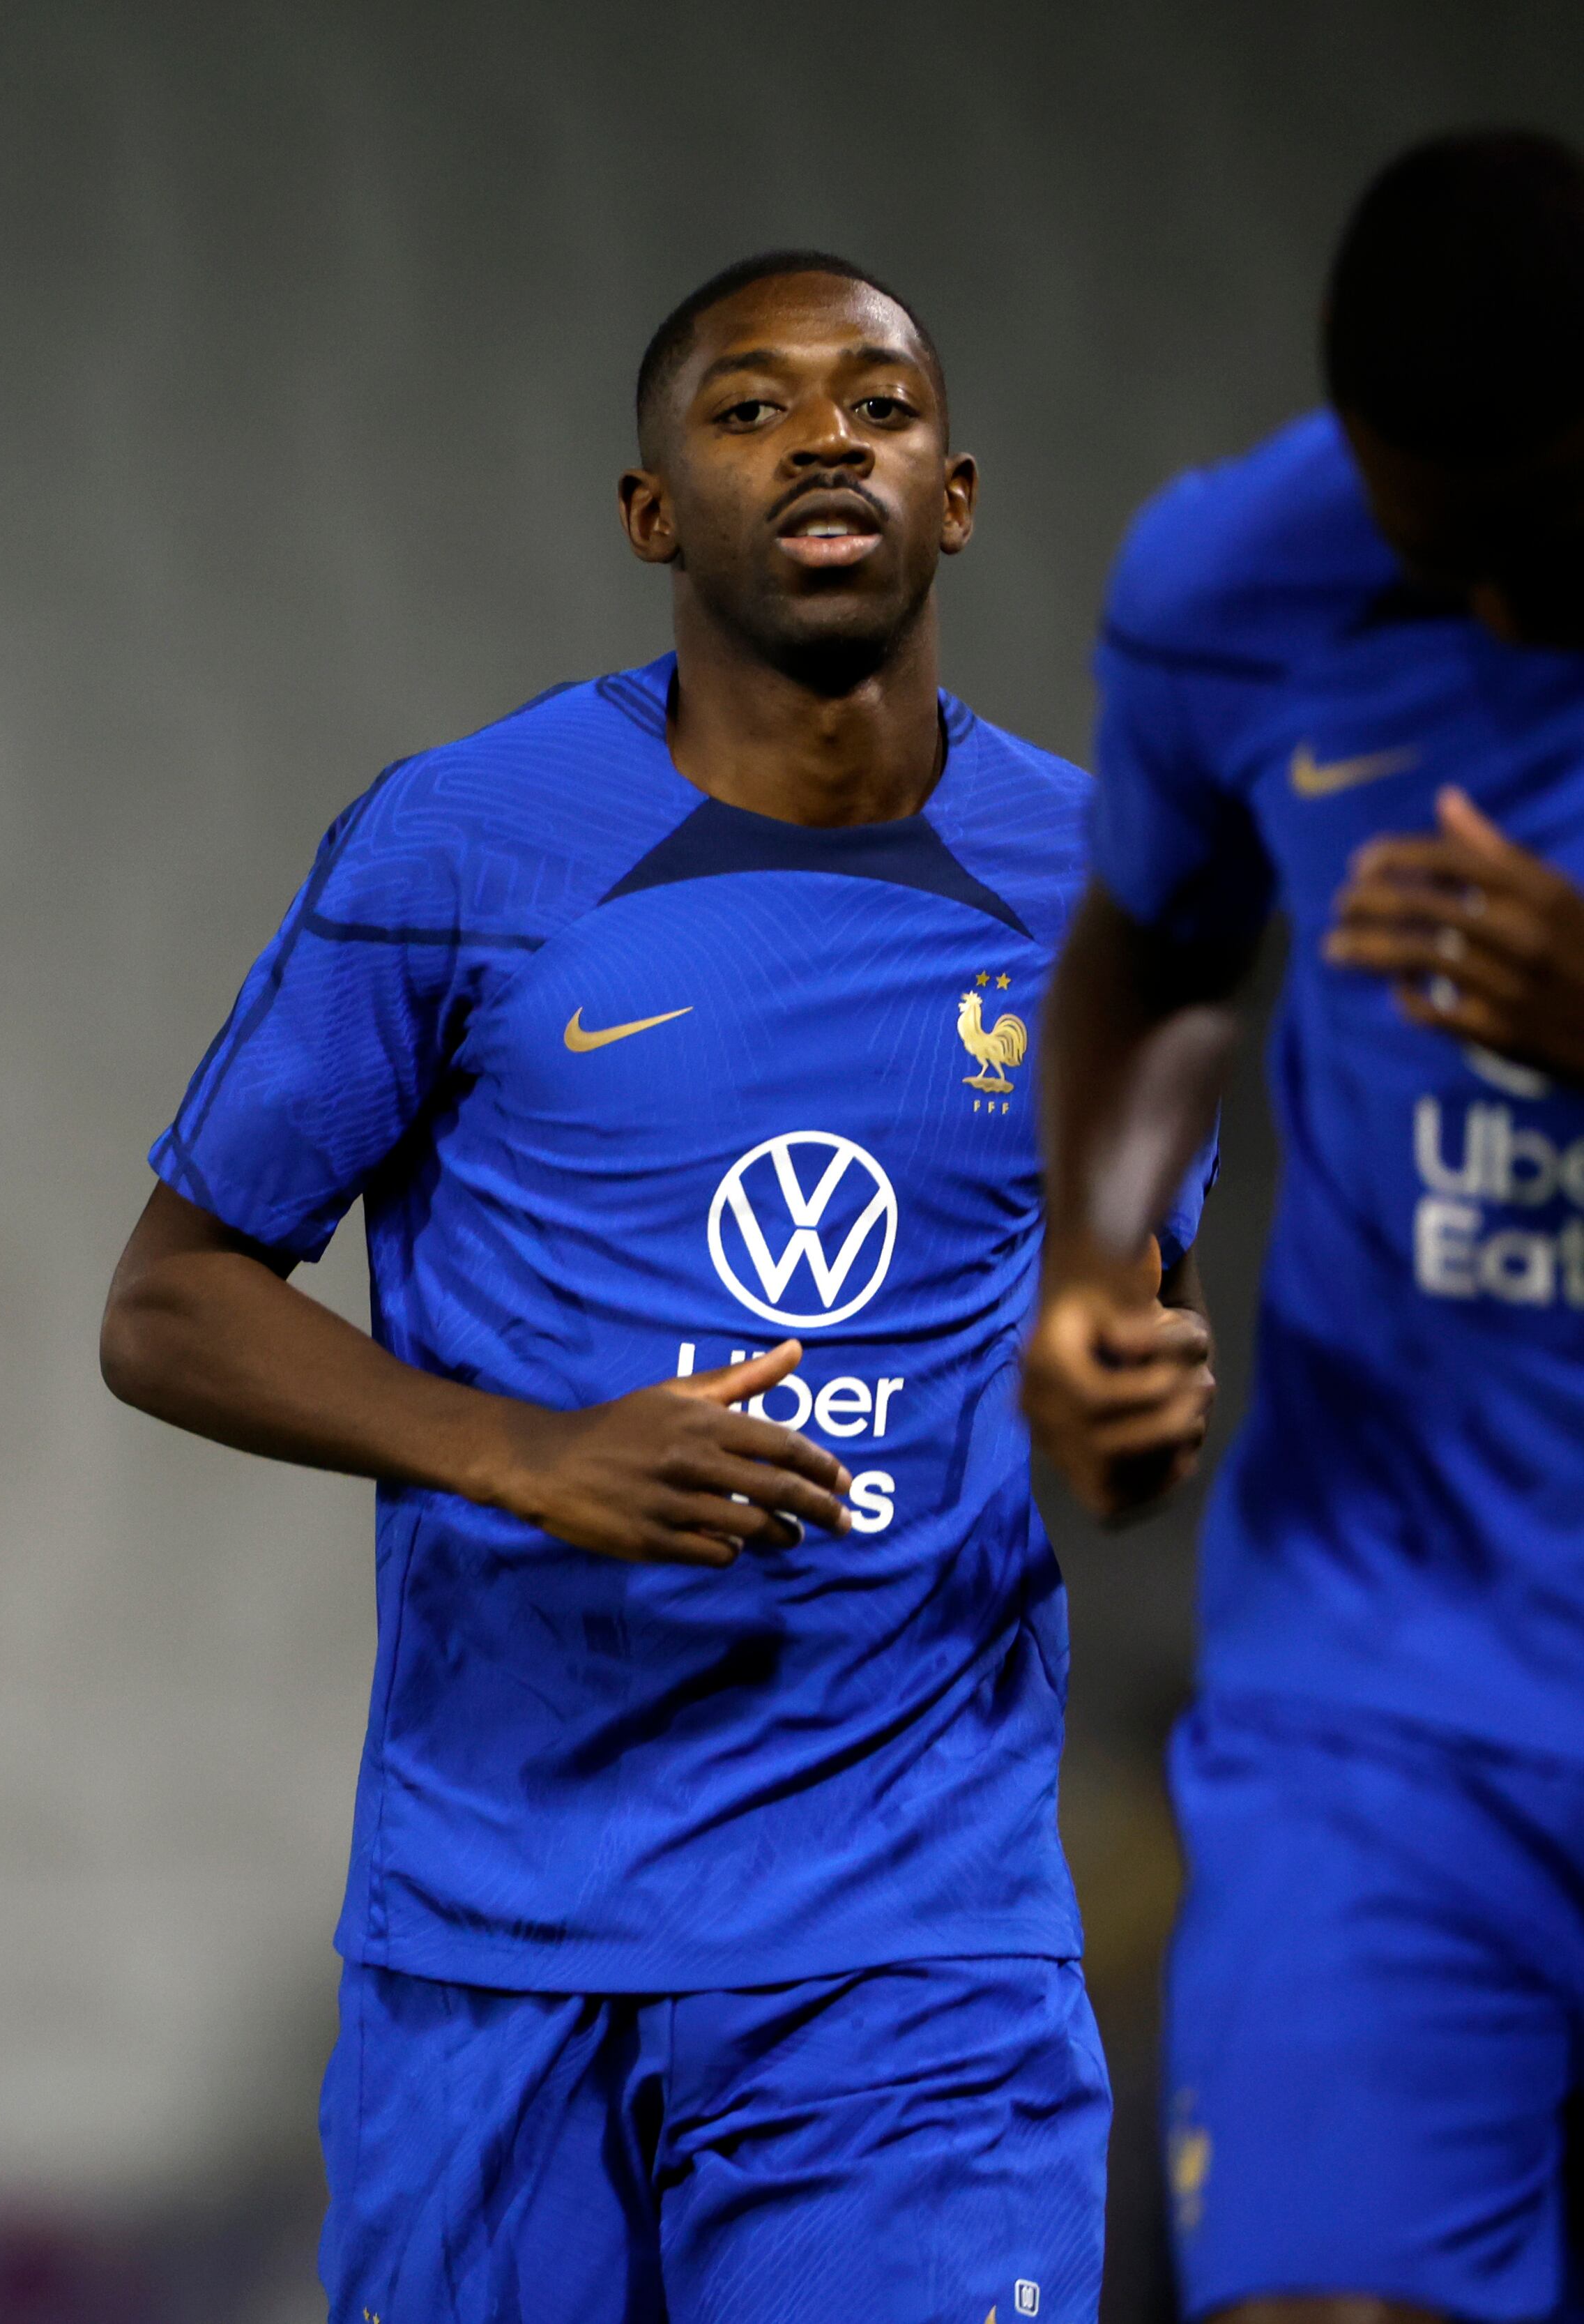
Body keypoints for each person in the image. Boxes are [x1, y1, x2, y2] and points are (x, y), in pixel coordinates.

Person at [101, 252, 1213, 2323]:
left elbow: (1118, 1352)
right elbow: (167, 1302)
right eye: (753, 406)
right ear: (650, 514)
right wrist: (533, 1456)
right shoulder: (460, 849)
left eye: (877, 408)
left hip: (915, 1960)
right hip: (499, 1941)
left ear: (952, 497)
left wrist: (1135, 1405)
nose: (825, 440)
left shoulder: (1102, 894)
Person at [1028, 130, 1584, 2324]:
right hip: (1386, 1689)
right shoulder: (1233, 586)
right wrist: (1096, 1264)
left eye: (1540, 544)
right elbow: (1155, 956)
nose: (1497, 615)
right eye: (1427, 556)